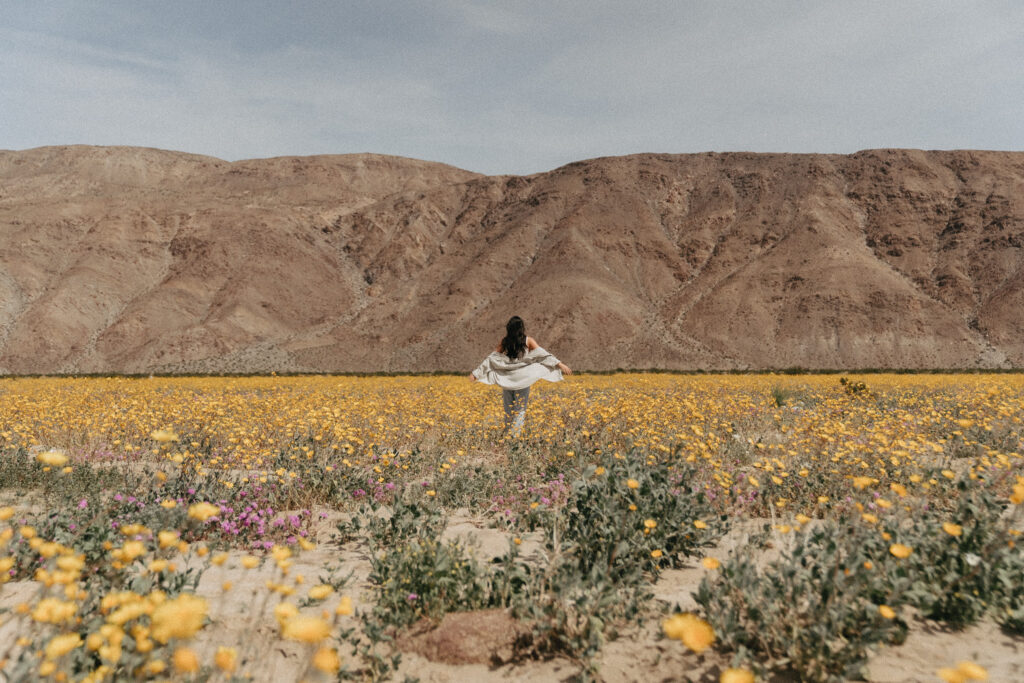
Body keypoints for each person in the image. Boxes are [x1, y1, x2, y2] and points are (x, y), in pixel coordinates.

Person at [469, 316, 572, 436]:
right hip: (523, 379)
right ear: (521, 328)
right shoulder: (528, 340)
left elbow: (491, 358)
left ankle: (508, 435)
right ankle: (514, 437)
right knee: (520, 409)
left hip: (507, 379)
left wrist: (476, 373)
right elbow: (544, 355)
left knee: (508, 409)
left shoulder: (505, 341)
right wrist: (560, 364)